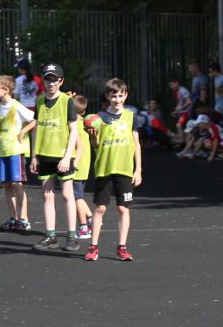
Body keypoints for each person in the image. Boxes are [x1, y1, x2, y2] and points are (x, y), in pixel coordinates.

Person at [84, 78, 143, 262]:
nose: (117, 99)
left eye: (120, 95)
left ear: (125, 95)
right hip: (105, 169)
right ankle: (93, 247)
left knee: (123, 208)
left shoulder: (131, 117)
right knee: (100, 208)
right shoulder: (99, 118)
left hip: (124, 169)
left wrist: (138, 169)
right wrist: (93, 136)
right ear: (107, 96)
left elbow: (136, 144)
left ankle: (122, 247)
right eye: (113, 95)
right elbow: (95, 145)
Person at [30, 63, 81, 251]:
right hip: (44, 154)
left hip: (62, 156)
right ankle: (50, 235)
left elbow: (74, 130)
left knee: (68, 195)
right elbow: (36, 129)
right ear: (43, 80)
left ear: (61, 81)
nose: (51, 83)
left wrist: (67, 157)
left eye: (55, 79)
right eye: (47, 79)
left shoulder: (66, 101)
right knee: (47, 195)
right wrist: (34, 155)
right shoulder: (40, 100)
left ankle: (71, 236)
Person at [0, 75, 36, 231]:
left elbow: (34, 119)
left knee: (17, 184)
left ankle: (24, 218)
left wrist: (23, 131)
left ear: (6, 90)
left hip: (15, 151)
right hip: (2, 150)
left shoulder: (16, 106)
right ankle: (12, 217)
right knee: (6, 185)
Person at [71, 95, 94, 239]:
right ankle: (91, 218)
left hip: (76, 164)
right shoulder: (86, 125)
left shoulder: (73, 126)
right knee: (78, 195)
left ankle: (84, 227)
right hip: (84, 165)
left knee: (77, 197)